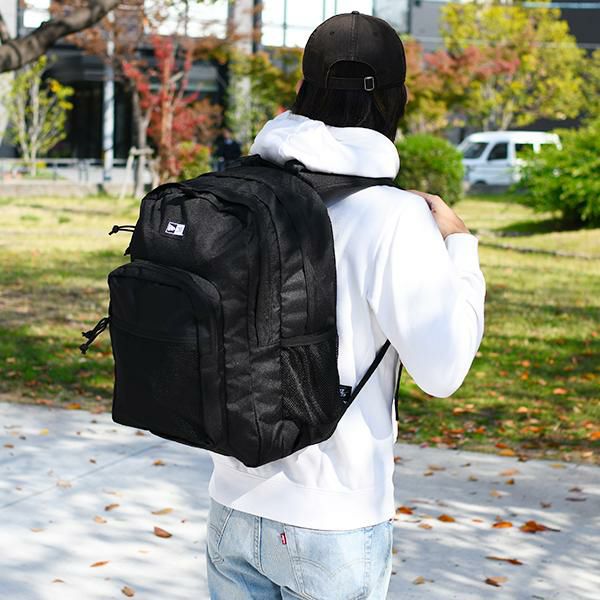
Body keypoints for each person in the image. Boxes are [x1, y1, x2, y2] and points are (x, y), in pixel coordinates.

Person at [206, 12, 485, 600]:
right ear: (396, 101)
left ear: (302, 92)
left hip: (232, 503)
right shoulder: (393, 217)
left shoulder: (241, 194)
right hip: (332, 521)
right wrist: (460, 247)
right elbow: (444, 371)